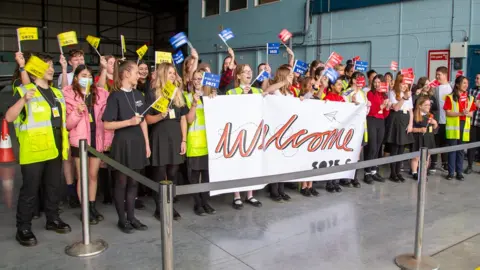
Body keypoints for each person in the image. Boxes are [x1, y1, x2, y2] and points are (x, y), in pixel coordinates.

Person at [6, 53, 71, 246]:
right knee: (30, 190)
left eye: (52, 66)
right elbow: (9, 117)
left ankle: (52, 219)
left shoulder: (57, 93)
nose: (51, 69)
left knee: (53, 187)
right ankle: (23, 227)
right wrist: (24, 99)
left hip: (55, 147)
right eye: (47, 66)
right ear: (35, 70)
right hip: (34, 149)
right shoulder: (25, 91)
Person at [102, 60, 150, 233]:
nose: (139, 75)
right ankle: (122, 219)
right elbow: (107, 125)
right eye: (136, 72)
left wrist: (147, 143)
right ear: (126, 73)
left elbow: (143, 121)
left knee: (133, 183)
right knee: (121, 183)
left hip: (137, 142)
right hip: (122, 144)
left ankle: (131, 217)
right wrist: (129, 122)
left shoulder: (138, 95)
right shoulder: (114, 96)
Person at [64, 65, 112, 225]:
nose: (87, 78)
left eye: (90, 75)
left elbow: (106, 120)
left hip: (96, 140)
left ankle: (92, 206)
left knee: (93, 175)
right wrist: (77, 112)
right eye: (84, 75)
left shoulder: (101, 94)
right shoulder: (69, 95)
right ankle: (84, 209)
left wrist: (106, 141)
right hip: (80, 142)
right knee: (82, 176)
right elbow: (68, 125)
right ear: (76, 77)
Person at [145, 63, 187, 220]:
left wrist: (184, 140)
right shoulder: (152, 93)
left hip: (175, 135)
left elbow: (183, 118)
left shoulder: (178, 92)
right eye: (170, 72)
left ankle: (170, 205)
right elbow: (147, 119)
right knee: (160, 174)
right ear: (163, 74)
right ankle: (159, 208)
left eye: (174, 73)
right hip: (159, 135)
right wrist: (160, 116)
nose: (173, 75)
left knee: (173, 173)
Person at [226, 64, 264, 207]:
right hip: (238, 133)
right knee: (238, 164)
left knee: (251, 163)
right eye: (245, 71)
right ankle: (236, 195)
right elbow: (229, 111)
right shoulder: (232, 92)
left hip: (254, 132)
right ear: (238, 76)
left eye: (250, 71)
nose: (249, 73)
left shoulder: (258, 91)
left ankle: (250, 194)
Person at [184, 69, 217, 215]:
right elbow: (189, 120)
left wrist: (215, 100)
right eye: (196, 79)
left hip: (210, 141)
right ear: (191, 81)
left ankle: (205, 202)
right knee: (194, 175)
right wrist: (194, 104)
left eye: (201, 79)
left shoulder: (211, 97)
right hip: (194, 141)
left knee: (207, 175)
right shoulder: (187, 97)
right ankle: (198, 204)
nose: (198, 81)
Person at [443, 76, 476, 180]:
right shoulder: (450, 97)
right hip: (453, 127)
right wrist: (460, 113)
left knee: (461, 150)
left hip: (464, 126)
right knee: (452, 149)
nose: (466, 85)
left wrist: (467, 113)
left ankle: (459, 172)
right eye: (464, 83)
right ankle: (451, 172)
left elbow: (471, 114)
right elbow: (448, 113)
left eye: (467, 83)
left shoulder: (470, 98)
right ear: (457, 84)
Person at [385, 74, 414, 182]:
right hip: (396, 120)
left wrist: (411, 124)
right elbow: (396, 108)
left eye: (406, 83)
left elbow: (411, 111)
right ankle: (393, 173)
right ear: (398, 83)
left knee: (402, 149)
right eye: (402, 83)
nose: (404, 85)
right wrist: (404, 98)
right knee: (395, 148)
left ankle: (398, 172)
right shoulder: (392, 93)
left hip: (406, 120)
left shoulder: (409, 94)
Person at [343, 71, 369, 188]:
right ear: (353, 80)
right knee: (348, 152)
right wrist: (353, 103)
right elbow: (344, 109)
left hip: (362, 125)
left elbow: (365, 110)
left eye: (363, 80)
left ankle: (354, 177)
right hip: (351, 127)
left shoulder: (363, 94)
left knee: (358, 153)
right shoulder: (347, 92)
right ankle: (345, 177)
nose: (362, 82)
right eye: (359, 79)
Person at [364, 74, 391, 184]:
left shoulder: (384, 95)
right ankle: (367, 172)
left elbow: (385, 114)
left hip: (380, 121)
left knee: (378, 147)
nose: (376, 84)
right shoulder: (370, 94)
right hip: (371, 120)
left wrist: (387, 107)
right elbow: (370, 111)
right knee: (372, 147)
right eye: (375, 82)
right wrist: (380, 107)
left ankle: (374, 170)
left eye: (379, 82)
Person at [323, 76, 347, 193]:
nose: (340, 86)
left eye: (341, 84)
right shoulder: (327, 97)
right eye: (338, 84)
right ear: (332, 86)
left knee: (338, 157)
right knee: (330, 157)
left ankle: (336, 181)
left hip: (340, 131)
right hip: (330, 131)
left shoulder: (342, 99)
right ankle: (329, 182)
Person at [410, 97, 438, 179]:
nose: (428, 107)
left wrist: (435, 123)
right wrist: (419, 129)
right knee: (416, 157)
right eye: (426, 105)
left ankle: (423, 171)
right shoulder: (415, 116)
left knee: (426, 157)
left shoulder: (430, 115)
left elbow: (435, 129)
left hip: (428, 138)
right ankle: (414, 172)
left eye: (429, 105)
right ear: (419, 106)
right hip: (418, 137)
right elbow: (411, 129)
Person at [433, 66, 452, 171]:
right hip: (437, 121)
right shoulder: (435, 89)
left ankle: (445, 163)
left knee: (446, 143)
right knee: (435, 143)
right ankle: (434, 163)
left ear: (445, 75)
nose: (437, 76)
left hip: (448, 121)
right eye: (436, 74)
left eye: (439, 74)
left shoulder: (451, 88)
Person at [465, 73, 480, 174]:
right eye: (476, 78)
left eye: (478, 78)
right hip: (472, 122)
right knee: (471, 145)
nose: (476, 80)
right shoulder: (471, 91)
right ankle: (469, 166)